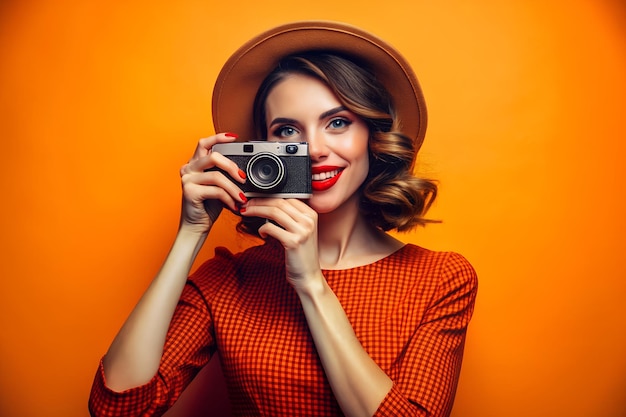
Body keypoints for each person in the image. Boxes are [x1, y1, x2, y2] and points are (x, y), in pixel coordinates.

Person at [88, 21, 478, 417]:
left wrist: (311, 283)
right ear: (265, 152)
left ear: (372, 135)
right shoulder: (228, 281)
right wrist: (190, 234)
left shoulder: (441, 278)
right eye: (288, 131)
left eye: (338, 122)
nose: (314, 149)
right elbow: (116, 408)